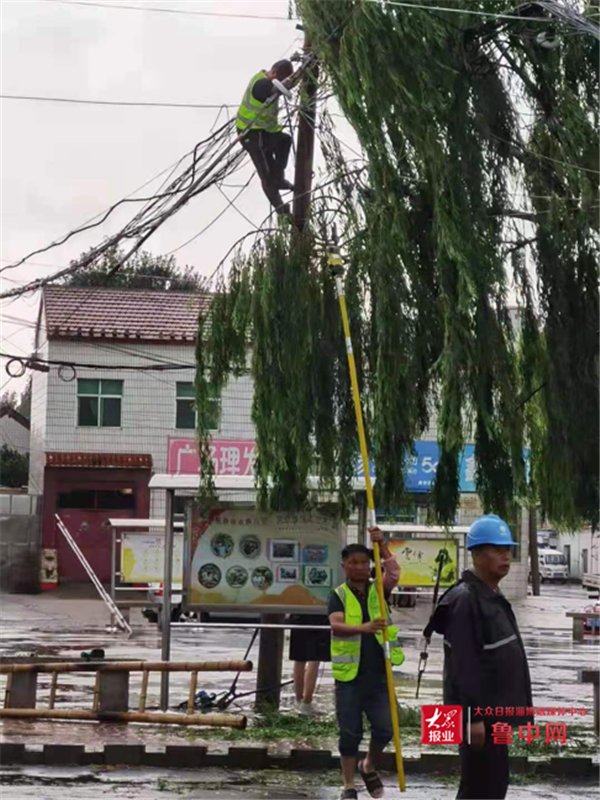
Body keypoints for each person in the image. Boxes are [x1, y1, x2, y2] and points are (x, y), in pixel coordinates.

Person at [426, 514, 533, 800]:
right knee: (479, 788)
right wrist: (472, 718)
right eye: (497, 550)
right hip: (478, 718)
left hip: (494, 715)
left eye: (507, 550)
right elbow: (464, 666)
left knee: (494, 785)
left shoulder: (490, 596)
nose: (505, 557)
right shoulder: (465, 600)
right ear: (476, 554)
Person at [328, 527, 404, 800]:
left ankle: (369, 764)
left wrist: (381, 546)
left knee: (386, 727)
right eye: (354, 563)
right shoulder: (338, 595)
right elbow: (336, 625)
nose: (359, 567)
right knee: (350, 732)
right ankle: (349, 785)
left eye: (364, 562)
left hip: (379, 674)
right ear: (344, 566)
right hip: (349, 677)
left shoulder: (377, 589)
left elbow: (394, 572)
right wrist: (366, 627)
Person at [236, 59, 295, 214]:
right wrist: (279, 88)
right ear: (274, 72)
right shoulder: (261, 83)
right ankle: (280, 208)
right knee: (266, 173)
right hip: (251, 134)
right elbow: (265, 90)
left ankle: (279, 178)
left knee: (285, 141)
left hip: (266, 131)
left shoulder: (273, 82)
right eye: (279, 79)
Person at [288, 612, 330, 715]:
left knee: (299, 658)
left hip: (299, 612)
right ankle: (306, 702)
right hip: (318, 614)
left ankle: (299, 700)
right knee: (314, 659)